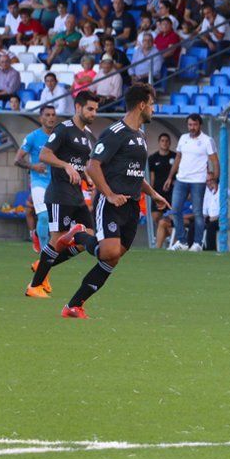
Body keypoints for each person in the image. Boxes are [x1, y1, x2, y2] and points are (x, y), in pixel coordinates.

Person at [60, 83, 170, 319]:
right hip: (110, 203)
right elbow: (93, 165)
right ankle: (79, 234)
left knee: (113, 257)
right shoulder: (115, 132)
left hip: (131, 205)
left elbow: (134, 174)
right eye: (151, 105)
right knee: (108, 251)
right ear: (141, 105)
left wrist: (154, 194)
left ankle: (73, 306)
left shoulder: (140, 136)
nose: (153, 110)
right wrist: (108, 194)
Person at [25, 92, 100, 299]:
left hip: (76, 196)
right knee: (57, 239)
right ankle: (35, 285)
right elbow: (44, 154)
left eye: (95, 109)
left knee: (89, 237)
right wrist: (65, 166)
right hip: (59, 194)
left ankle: (43, 264)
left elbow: (80, 164)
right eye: (90, 109)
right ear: (78, 107)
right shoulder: (63, 129)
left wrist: (88, 178)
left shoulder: (86, 136)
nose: (94, 113)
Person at [165, 113, 219, 252]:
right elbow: (178, 158)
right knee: (175, 210)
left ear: (200, 125)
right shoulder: (183, 138)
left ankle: (197, 244)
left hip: (198, 181)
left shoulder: (207, 140)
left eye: (195, 125)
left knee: (197, 213)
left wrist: (215, 179)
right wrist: (170, 177)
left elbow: (215, 161)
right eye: (190, 125)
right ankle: (182, 241)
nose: (192, 127)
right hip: (181, 179)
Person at [15, 106, 55, 252]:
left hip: (56, 183)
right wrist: (33, 166)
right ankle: (45, 255)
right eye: (47, 115)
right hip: (39, 182)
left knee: (53, 220)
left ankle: (39, 235)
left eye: (53, 115)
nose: (51, 117)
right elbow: (17, 160)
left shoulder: (58, 136)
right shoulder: (33, 137)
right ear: (41, 118)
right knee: (43, 217)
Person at [148, 132, 175, 224]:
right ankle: (164, 231)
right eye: (162, 141)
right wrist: (151, 191)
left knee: (172, 216)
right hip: (158, 191)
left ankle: (171, 235)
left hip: (172, 191)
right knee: (156, 216)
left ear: (170, 143)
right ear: (159, 143)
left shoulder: (175, 157)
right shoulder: (152, 158)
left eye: (167, 141)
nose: (165, 143)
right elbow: (151, 176)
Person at [202, 177, 220, 251]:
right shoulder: (208, 192)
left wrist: (216, 217)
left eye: (211, 180)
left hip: (219, 218)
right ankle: (195, 246)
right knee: (194, 225)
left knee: (211, 226)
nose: (209, 182)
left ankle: (211, 249)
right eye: (207, 181)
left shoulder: (222, 190)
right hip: (210, 218)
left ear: (215, 180)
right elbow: (205, 211)